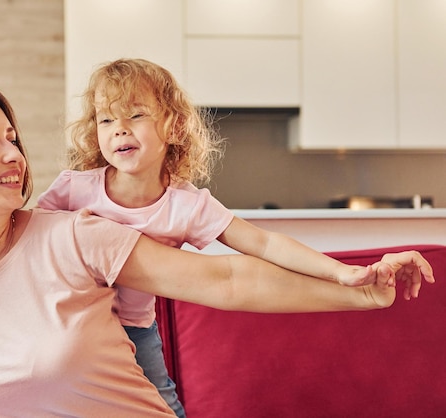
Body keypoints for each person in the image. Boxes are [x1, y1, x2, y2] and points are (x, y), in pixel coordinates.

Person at [0, 81, 434, 418]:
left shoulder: (73, 233)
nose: (14, 155)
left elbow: (228, 281)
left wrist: (360, 289)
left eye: (12, 138)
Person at [36, 58, 432, 416]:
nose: (118, 127)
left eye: (135, 114)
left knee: (165, 407)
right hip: (73, 328)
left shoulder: (186, 205)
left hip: (136, 332)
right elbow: (27, 247)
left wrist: (344, 274)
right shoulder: (75, 189)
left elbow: (264, 243)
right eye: (105, 120)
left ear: (173, 126)